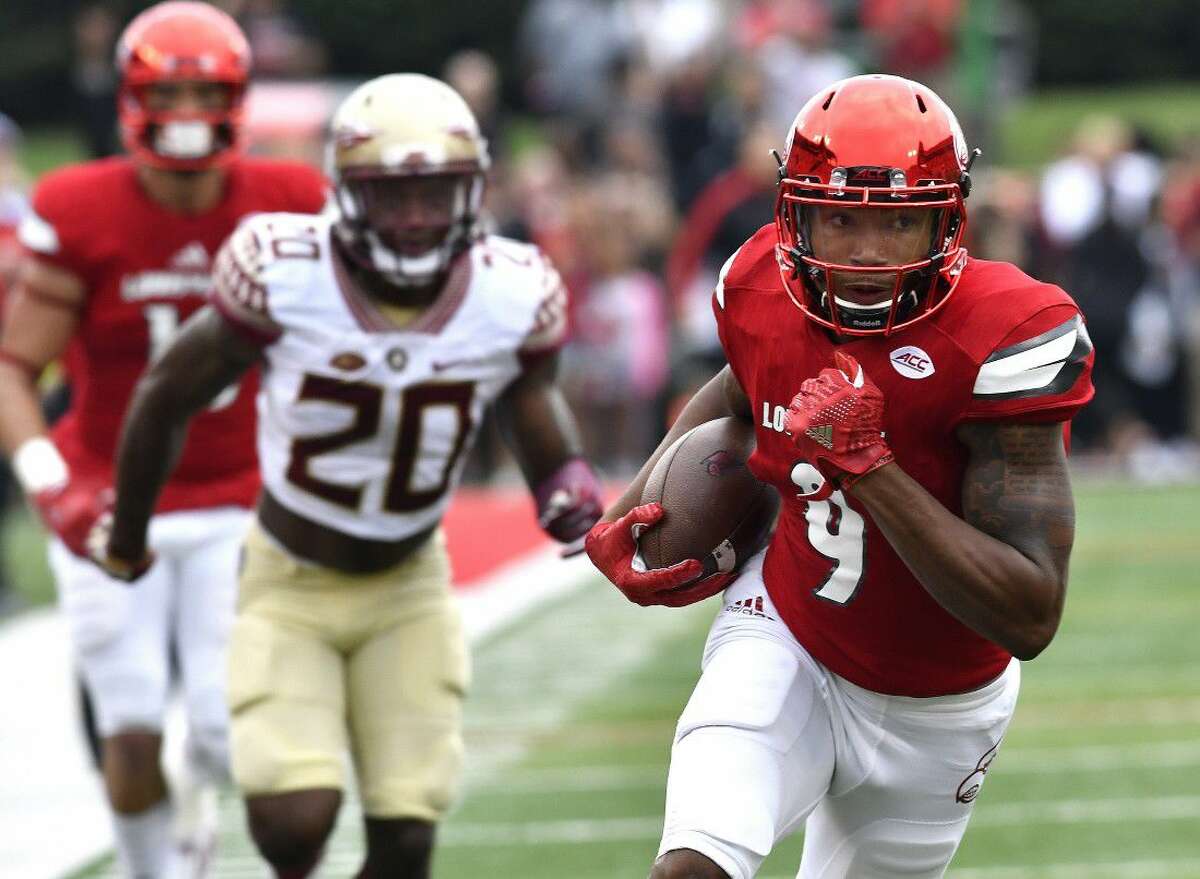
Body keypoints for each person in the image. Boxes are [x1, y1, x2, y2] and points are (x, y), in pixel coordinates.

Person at [91, 73, 603, 879]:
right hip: (289, 581)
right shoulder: (283, 270)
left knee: (406, 837)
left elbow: (528, 396)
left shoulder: (512, 289)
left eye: (435, 194)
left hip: (408, 582)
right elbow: (166, 392)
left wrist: (562, 481)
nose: (414, 219)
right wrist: (126, 536)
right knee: (294, 823)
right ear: (346, 194)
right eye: (392, 197)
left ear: (472, 190)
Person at [585, 74, 1094, 878]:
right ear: (794, 211)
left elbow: (1030, 613)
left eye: (895, 225)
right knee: (693, 866)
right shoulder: (760, 288)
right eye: (838, 217)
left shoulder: (1008, 335)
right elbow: (740, 385)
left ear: (947, 218)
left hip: (942, 704)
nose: (861, 251)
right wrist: (634, 503)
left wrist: (873, 469)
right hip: (788, 630)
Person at [0, 3, 327, 877]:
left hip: (236, 494)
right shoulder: (78, 204)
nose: (185, 113)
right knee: (131, 721)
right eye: (167, 92)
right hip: (107, 490)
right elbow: (11, 366)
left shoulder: (290, 202)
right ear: (130, 100)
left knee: (227, 732)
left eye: (202, 92)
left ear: (238, 99)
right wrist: (49, 484)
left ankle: (195, 796)